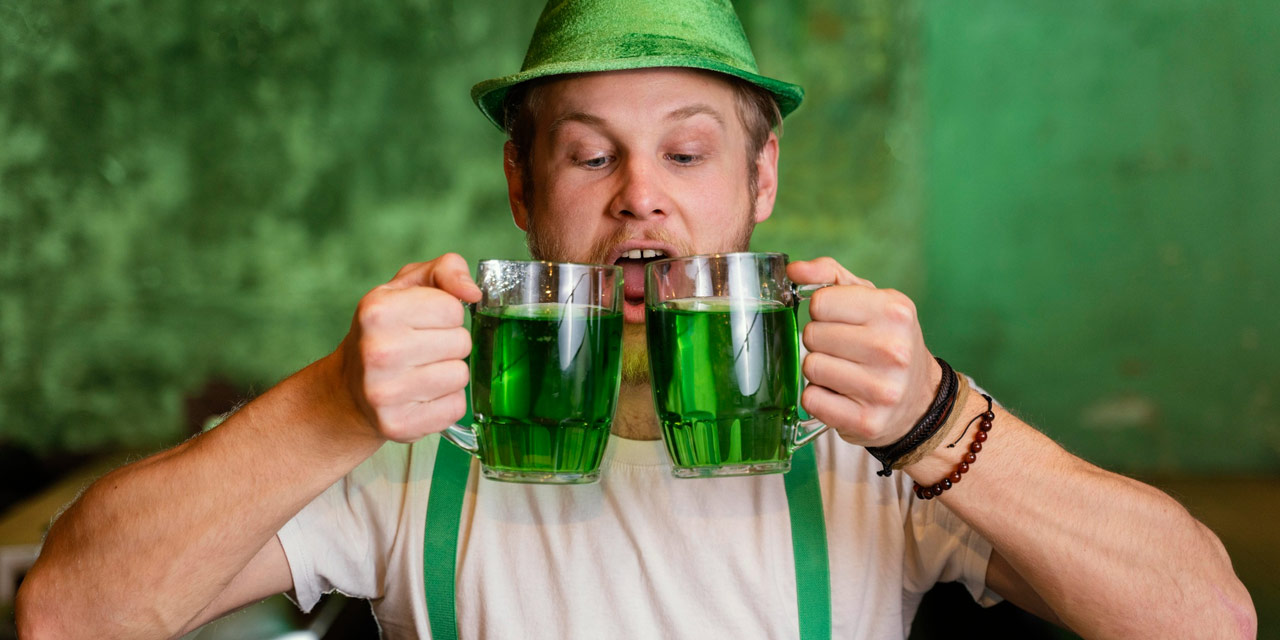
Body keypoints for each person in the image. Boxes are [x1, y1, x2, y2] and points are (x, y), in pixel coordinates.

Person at [16, 1, 1255, 638]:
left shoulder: (870, 429)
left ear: (759, 186)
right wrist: (325, 404)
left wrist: (938, 420)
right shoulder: (402, 445)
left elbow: (1207, 619)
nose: (639, 197)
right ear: (520, 189)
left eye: (686, 151)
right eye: (587, 155)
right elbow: (69, 614)